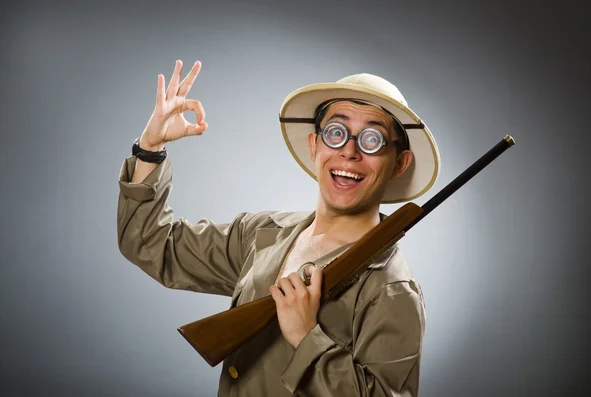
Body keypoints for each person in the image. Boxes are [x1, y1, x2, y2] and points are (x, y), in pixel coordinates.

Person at [117, 59, 440, 396]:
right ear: (315, 145)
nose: (349, 151)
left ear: (399, 163)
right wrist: (150, 150)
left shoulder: (392, 289)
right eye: (336, 133)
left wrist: (306, 337)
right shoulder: (262, 233)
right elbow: (153, 245)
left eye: (372, 139)